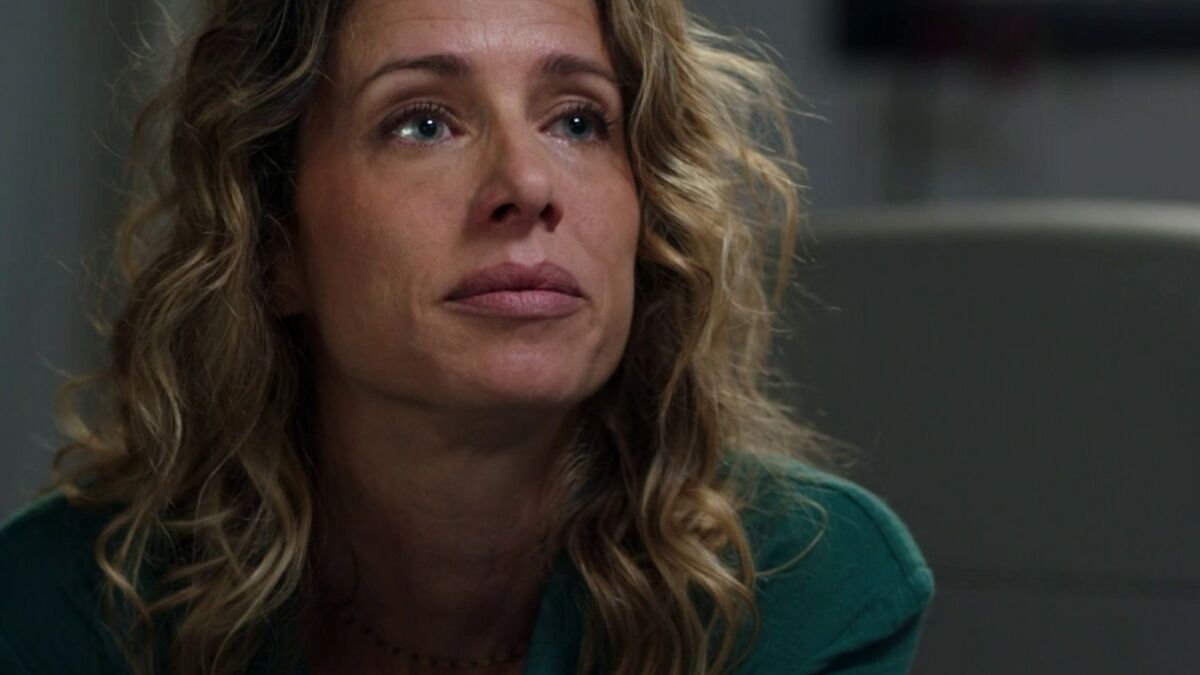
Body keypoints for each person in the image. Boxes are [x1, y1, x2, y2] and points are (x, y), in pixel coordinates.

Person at [0, 0, 933, 674]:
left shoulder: (805, 586)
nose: (526, 183)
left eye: (578, 120)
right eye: (422, 123)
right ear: (272, 239)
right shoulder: (64, 607)